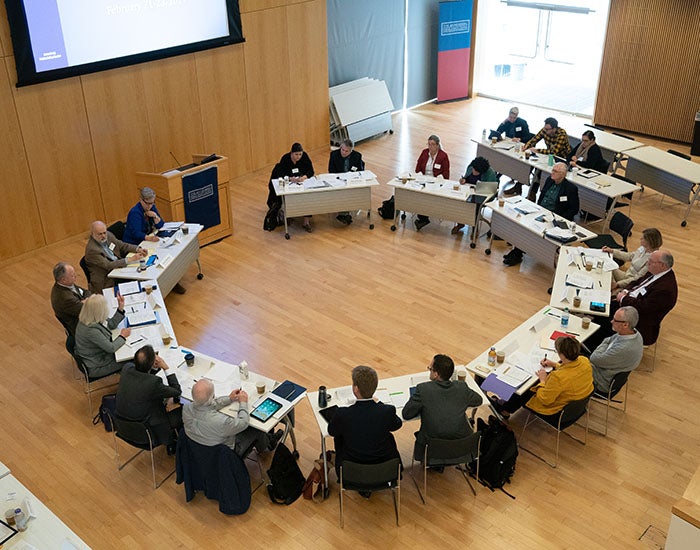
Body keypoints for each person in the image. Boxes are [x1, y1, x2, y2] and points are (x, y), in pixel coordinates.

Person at [327, 365, 402, 487]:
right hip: (385, 468)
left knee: (339, 436)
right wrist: (379, 404)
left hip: (352, 471)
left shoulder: (343, 414)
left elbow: (331, 431)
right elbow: (397, 424)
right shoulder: (387, 411)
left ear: (356, 389)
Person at [402, 354, 482, 465]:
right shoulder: (461, 387)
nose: (429, 371)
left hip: (432, 449)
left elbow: (406, 414)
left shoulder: (423, 389)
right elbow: (478, 400)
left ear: (436, 374)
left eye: (430, 369)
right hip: (462, 448)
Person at [495, 337, 593, 420]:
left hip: (554, 410)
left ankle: (505, 409)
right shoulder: (584, 360)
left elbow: (545, 400)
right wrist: (554, 364)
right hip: (576, 403)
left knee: (526, 387)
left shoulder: (558, 377)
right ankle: (506, 406)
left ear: (562, 355)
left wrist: (542, 380)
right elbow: (571, 371)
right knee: (534, 383)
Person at [503, 162, 579, 266]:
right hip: (541, 212)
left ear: (563, 174)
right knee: (524, 225)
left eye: (556, 171)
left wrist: (559, 218)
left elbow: (574, 209)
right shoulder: (549, 180)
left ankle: (517, 253)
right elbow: (542, 196)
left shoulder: (570, 188)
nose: (552, 173)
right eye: (553, 170)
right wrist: (537, 209)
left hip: (555, 217)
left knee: (533, 230)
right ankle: (517, 250)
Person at [183, 379, 281, 457]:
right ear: (213, 396)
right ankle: (268, 446)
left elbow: (207, 405)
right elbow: (243, 423)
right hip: (227, 454)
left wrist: (229, 399)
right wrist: (243, 402)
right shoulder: (220, 421)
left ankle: (266, 440)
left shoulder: (186, 408)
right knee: (256, 428)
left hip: (200, 449)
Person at [116, 345, 182, 453]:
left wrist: (152, 368)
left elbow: (142, 377)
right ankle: (172, 441)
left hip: (123, 426)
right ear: (152, 363)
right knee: (184, 411)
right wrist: (166, 368)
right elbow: (176, 391)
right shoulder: (153, 383)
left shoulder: (127, 368)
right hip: (147, 431)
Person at [609, 250, 677, 345]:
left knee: (604, 318)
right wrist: (625, 291)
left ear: (663, 265)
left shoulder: (665, 290)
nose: (648, 263)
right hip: (628, 302)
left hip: (638, 320)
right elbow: (637, 282)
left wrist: (624, 299)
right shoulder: (655, 271)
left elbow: (643, 307)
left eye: (651, 261)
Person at [589, 306, 643, 394]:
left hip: (601, 381)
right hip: (609, 368)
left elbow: (594, 358)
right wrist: (605, 345)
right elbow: (608, 340)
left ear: (625, 324)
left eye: (615, 320)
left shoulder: (623, 348)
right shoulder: (634, 333)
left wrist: (603, 346)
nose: (611, 321)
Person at [75, 294, 130, 378]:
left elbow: (111, 324)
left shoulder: (89, 317)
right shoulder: (91, 330)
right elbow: (111, 348)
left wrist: (120, 308)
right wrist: (122, 336)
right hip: (98, 365)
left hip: (99, 354)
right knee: (131, 360)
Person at [84, 220, 147, 293]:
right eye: (100, 234)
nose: (103, 236)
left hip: (118, 268)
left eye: (104, 233)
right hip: (107, 278)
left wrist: (138, 249)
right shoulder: (92, 250)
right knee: (138, 278)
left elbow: (121, 245)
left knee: (141, 272)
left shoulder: (108, 235)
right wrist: (130, 259)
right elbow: (108, 265)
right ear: (92, 234)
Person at [522, 118, 571, 200]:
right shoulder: (545, 129)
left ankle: (540, 194)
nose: (545, 130)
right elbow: (535, 139)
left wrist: (537, 150)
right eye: (545, 128)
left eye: (548, 129)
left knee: (541, 172)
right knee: (536, 167)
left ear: (554, 129)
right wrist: (527, 146)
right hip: (549, 157)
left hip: (561, 159)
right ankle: (531, 192)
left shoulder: (561, 134)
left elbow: (554, 151)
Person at [452, 156, 499, 234]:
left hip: (483, 195)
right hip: (469, 191)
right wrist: (464, 180)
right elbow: (467, 178)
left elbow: (491, 191)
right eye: (473, 169)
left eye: (476, 171)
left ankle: (474, 228)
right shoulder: (471, 167)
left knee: (475, 206)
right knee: (460, 202)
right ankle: (460, 223)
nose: (473, 171)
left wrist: (478, 189)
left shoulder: (490, 173)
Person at [414, 135, 451, 230]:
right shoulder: (424, 152)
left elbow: (446, 174)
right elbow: (417, 168)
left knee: (427, 195)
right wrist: (420, 176)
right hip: (423, 180)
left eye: (432, 144)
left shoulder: (443, 156)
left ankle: (423, 217)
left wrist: (437, 179)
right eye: (429, 144)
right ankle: (422, 216)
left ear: (437, 145)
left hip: (436, 182)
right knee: (419, 193)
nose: (430, 147)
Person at [277, 142, 315, 232]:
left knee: (307, 196)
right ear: (291, 153)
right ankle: (289, 215)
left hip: (302, 182)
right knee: (290, 197)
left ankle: (306, 222)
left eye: (300, 154)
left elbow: (311, 171)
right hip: (290, 183)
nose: (298, 157)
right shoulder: (285, 159)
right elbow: (280, 173)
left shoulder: (305, 156)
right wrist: (290, 178)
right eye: (296, 154)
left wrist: (304, 177)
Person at [328, 139, 365, 225]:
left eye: (346, 151)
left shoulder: (357, 156)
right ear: (340, 147)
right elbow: (331, 170)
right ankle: (344, 213)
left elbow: (360, 171)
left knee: (348, 191)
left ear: (351, 151)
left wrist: (351, 177)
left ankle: (344, 213)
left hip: (351, 180)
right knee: (342, 191)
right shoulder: (333, 154)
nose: (344, 152)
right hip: (338, 180)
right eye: (342, 149)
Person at [51, 261, 91, 336]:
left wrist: (84, 300)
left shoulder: (67, 284)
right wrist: (87, 301)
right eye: (72, 275)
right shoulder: (64, 298)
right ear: (63, 280)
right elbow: (85, 309)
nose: (76, 276)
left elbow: (86, 292)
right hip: (81, 326)